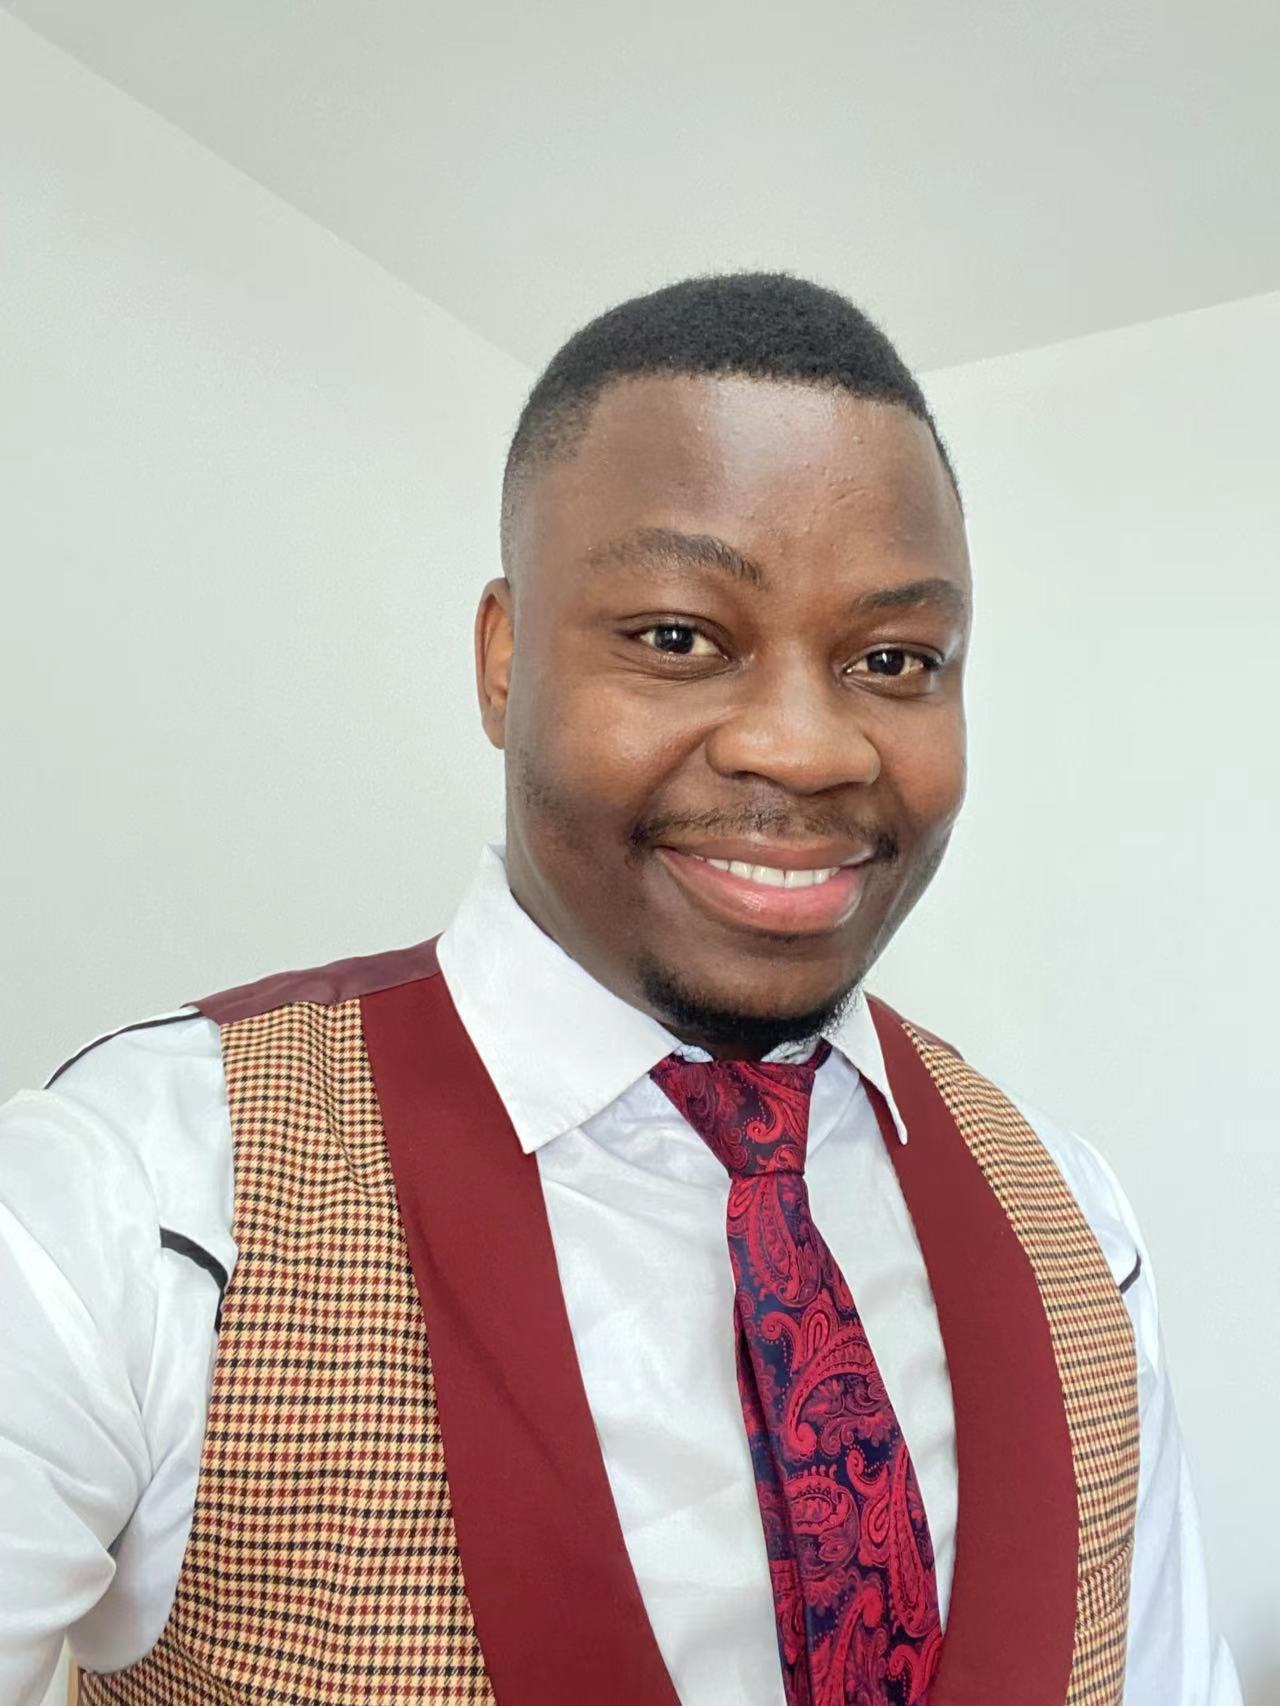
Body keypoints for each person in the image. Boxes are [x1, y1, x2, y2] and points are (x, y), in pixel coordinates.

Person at [0, 273, 1240, 1706]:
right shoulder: (141, 1192)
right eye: (677, 637)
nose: (806, 748)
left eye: (894, 659)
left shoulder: (1076, 1223)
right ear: (502, 659)